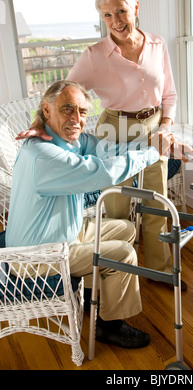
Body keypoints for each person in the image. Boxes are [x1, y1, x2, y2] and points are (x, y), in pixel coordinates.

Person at [18, 0, 180, 284]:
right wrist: (40, 121)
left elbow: (169, 93)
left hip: (153, 126)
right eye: (107, 14)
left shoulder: (158, 44)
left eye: (121, 10)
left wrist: (166, 126)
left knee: (156, 204)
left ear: (135, 7)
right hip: (114, 128)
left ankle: (160, 272)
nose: (115, 21)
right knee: (117, 204)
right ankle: (118, 271)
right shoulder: (93, 57)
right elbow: (60, 92)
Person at [6, 80, 177, 349]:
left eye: (83, 112)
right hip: (38, 255)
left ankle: (91, 291)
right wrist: (153, 152)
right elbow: (104, 172)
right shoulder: (44, 156)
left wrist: (148, 143)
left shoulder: (66, 138)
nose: (77, 119)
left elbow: (107, 151)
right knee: (123, 253)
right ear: (46, 110)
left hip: (62, 232)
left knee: (125, 228)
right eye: (67, 109)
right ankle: (110, 326)